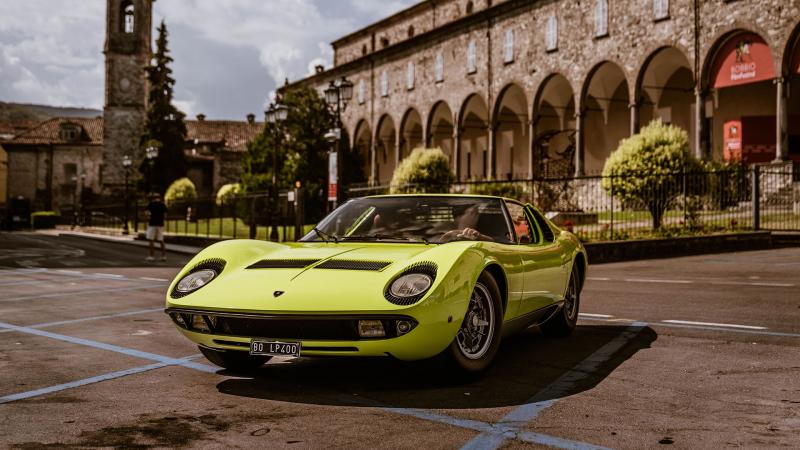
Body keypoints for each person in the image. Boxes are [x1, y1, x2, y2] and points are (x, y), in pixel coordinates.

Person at [145, 193, 167, 262]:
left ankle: (152, 256)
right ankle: (163, 256)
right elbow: (165, 214)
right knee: (161, 240)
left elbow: (147, 213)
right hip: (160, 224)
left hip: (152, 223)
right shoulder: (162, 204)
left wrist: (149, 217)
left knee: (151, 240)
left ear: (153, 198)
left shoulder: (151, 204)